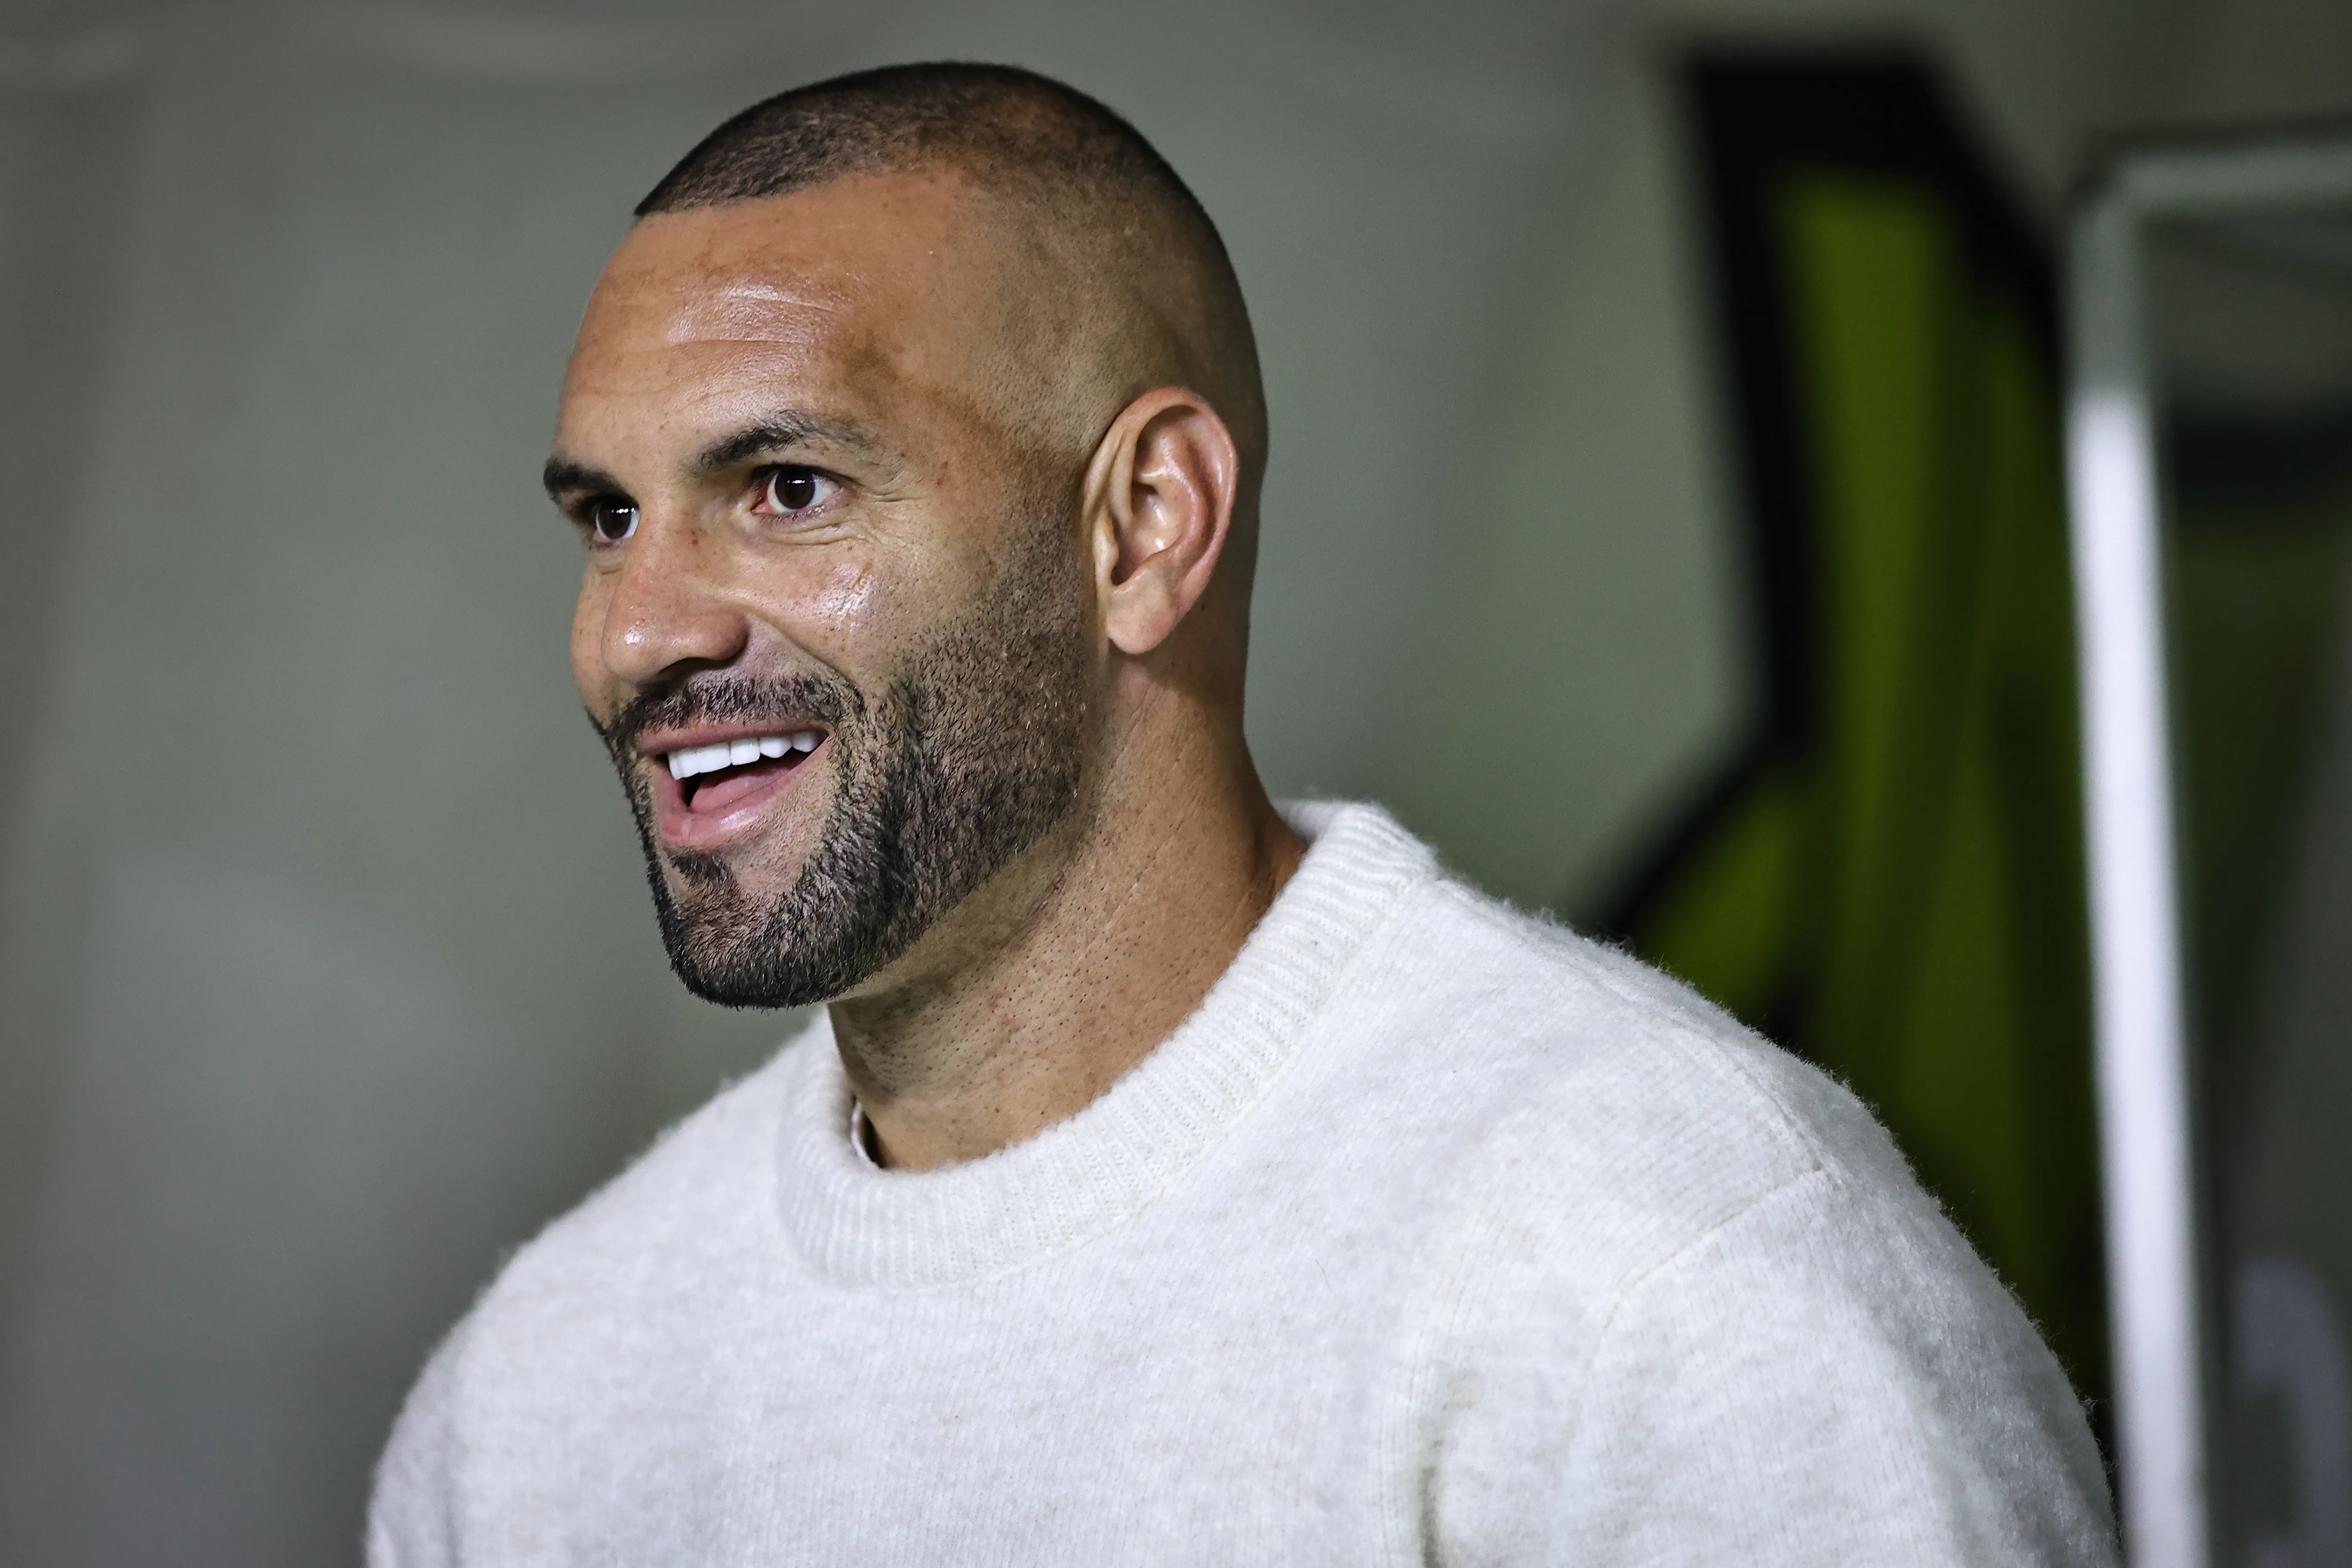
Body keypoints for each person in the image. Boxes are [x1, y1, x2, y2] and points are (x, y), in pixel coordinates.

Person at [368, 62, 2117, 1565]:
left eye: (789, 487)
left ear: (1146, 526)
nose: (638, 635)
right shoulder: (537, 1405)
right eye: (609, 520)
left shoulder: (1668, 1283)